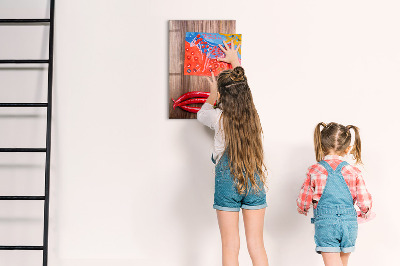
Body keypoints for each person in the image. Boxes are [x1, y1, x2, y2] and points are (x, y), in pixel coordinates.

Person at [197, 40, 269, 266]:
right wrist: (235, 62)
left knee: (230, 245)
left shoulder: (218, 117)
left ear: (223, 96)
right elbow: (242, 87)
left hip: (227, 182)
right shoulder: (253, 116)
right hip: (254, 178)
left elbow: (202, 114)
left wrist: (212, 94)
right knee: (256, 244)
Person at [297, 122, 373, 266]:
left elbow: (304, 198)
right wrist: (365, 212)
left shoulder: (315, 170)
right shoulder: (353, 172)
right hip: (349, 224)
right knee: (343, 262)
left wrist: (303, 208)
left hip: (326, 224)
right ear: (348, 149)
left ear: (321, 145)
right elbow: (364, 200)